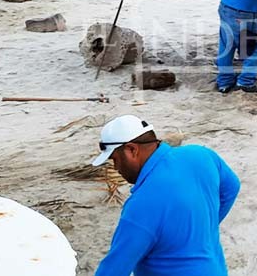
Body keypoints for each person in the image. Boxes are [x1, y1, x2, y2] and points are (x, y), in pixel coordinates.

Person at [91, 115, 240, 276]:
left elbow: (114, 269)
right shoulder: (201, 155)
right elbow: (232, 187)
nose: (116, 167)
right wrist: (202, 229)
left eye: (115, 159)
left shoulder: (142, 205)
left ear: (132, 150)